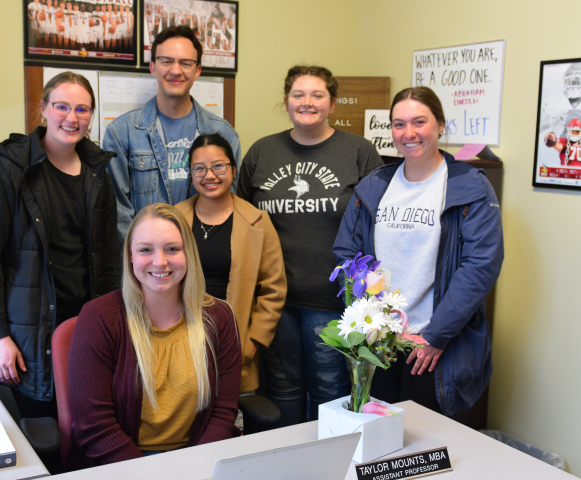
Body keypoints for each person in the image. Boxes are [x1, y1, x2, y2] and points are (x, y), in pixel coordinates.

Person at [333, 86, 504, 417]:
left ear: (440, 125)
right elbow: (347, 252)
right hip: (379, 341)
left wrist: (437, 335)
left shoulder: (470, 186)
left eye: (419, 122)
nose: (408, 133)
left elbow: (481, 265)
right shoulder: (374, 185)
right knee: (380, 445)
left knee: (426, 448)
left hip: (432, 345)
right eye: (399, 124)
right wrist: (370, 318)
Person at [0, 72, 120, 423]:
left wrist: (114, 325)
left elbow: (110, 257)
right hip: (26, 332)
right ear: (43, 109)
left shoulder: (99, 174)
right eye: (62, 106)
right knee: (44, 434)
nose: (72, 118)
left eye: (83, 109)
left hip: (84, 327)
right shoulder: (8, 171)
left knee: (87, 428)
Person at [237, 66, 383, 426]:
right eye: (298, 94)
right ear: (286, 101)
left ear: (332, 103)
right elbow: (240, 216)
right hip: (274, 300)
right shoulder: (262, 152)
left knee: (329, 388)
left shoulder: (358, 152)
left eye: (317, 95)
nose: (307, 102)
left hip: (332, 299)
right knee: (281, 389)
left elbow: (380, 221)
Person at [67, 204, 242, 467]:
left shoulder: (219, 317)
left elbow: (223, 412)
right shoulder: (99, 317)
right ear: (130, 256)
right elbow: (95, 426)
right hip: (124, 465)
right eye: (145, 250)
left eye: (172, 249)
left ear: (189, 254)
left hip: (196, 459)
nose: (160, 262)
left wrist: (196, 468)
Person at [103, 25, 240, 246]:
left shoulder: (223, 134)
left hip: (204, 258)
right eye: (166, 61)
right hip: (147, 265)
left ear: (197, 71)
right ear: (153, 67)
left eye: (186, 63)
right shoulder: (121, 133)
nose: (176, 70)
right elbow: (118, 211)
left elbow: (229, 205)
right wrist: (144, 257)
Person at [175, 134, 286, 393]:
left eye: (218, 166)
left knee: (228, 420)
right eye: (199, 168)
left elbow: (274, 287)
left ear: (233, 170)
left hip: (233, 344)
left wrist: (254, 340)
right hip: (181, 338)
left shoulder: (256, 221)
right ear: (191, 174)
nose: (209, 175)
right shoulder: (174, 218)